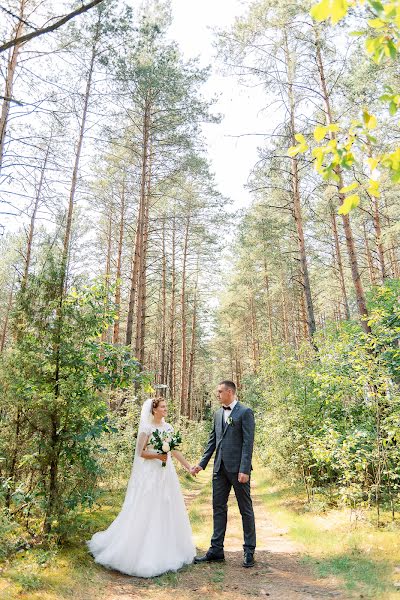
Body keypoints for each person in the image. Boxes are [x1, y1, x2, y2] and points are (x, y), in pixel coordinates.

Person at [87, 397, 196, 577]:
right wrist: (158, 455)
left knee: (166, 507)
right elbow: (141, 452)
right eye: (162, 407)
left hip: (166, 474)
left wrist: (188, 466)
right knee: (147, 508)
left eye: (166, 407)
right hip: (150, 474)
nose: (165, 409)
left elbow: (174, 450)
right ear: (154, 410)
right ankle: (138, 551)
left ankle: (167, 549)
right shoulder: (147, 428)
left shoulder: (168, 428)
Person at [191, 380, 256, 567]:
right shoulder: (218, 413)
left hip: (238, 471)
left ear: (230, 392)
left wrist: (244, 469)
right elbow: (213, 441)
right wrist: (201, 465)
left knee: (245, 509)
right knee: (218, 508)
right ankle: (216, 550)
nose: (217, 394)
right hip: (219, 469)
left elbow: (247, 443)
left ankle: (249, 551)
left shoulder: (245, 412)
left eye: (220, 391)